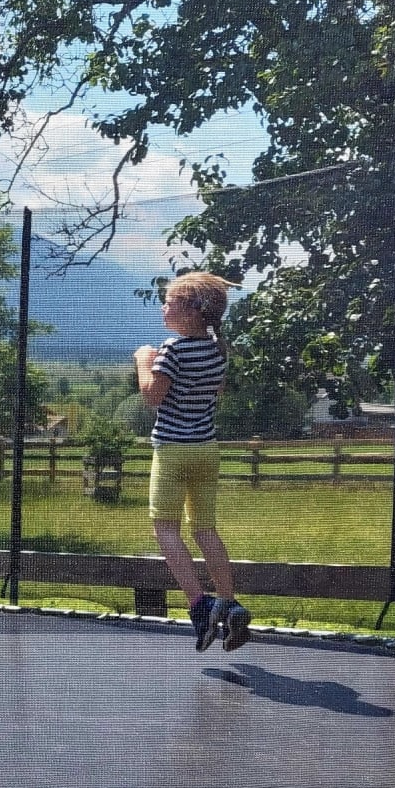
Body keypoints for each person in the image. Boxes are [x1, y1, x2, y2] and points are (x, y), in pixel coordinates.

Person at [135, 271, 250, 652]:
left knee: (165, 529)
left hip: (173, 450)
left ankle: (200, 607)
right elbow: (214, 390)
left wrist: (144, 361)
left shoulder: (173, 349)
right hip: (206, 449)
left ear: (191, 311)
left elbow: (152, 397)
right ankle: (228, 603)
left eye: (169, 302)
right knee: (205, 529)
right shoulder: (218, 350)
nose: (163, 307)